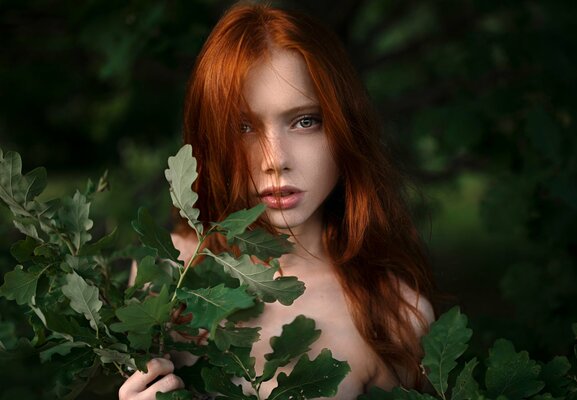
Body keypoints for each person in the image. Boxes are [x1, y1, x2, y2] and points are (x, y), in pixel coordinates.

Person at [119, 3, 436, 399]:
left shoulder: (394, 316)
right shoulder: (164, 275)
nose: (275, 160)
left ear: (344, 126)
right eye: (243, 127)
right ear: (210, 141)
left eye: (305, 121)